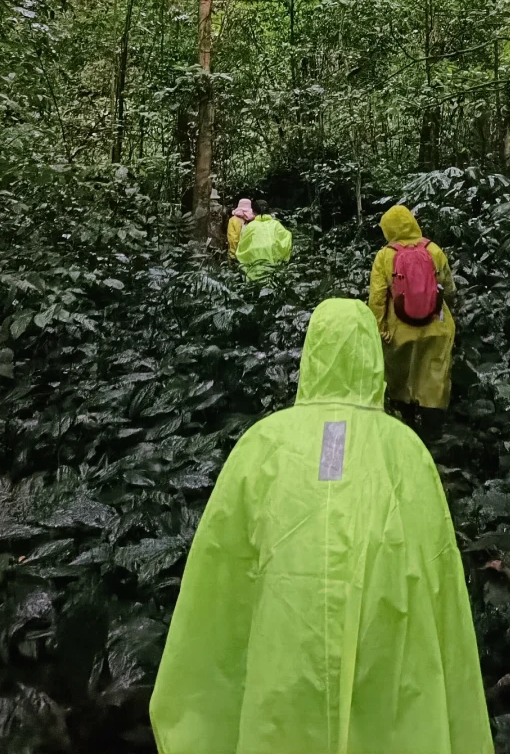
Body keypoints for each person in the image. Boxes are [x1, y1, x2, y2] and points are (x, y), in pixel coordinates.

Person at [149, 298, 492, 754]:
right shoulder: (405, 451)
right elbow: (440, 581)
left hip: (283, 665)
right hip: (386, 660)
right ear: (372, 355)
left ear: (311, 354)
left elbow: (218, 580)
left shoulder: (263, 444)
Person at [368, 203, 456, 411]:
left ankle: (405, 422)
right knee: (434, 377)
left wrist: (382, 329)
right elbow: (449, 287)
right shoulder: (433, 249)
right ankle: (433, 428)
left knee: (400, 378)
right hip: (436, 327)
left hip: (400, 331)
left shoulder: (384, 256)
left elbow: (377, 298)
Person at [234, 199, 293, 282]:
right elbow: (287, 240)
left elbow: (242, 248)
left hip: (254, 271)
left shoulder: (250, 226)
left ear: (253, 212)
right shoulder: (276, 224)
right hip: (274, 270)